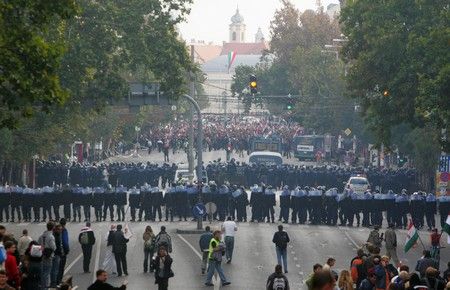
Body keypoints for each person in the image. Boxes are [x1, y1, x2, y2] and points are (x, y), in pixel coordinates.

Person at [38, 221, 56, 288]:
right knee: (47, 272)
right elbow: (53, 247)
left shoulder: (41, 236)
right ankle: (45, 287)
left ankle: (42, 286)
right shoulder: (51, 236)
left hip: (42, 255)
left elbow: (38, 245)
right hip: (48, 256)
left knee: (43, 272)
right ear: (53, 228)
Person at [58, 218, 70, 284]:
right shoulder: (64, 230)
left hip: (56, 251)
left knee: (56, 267)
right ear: (65, 223)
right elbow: (65, 241)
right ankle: (59, 280)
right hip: (62, 251)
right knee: (61, 266)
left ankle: (56, 281)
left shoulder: (56, 229)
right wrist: (67, 250)